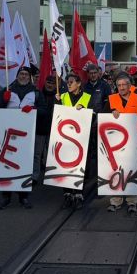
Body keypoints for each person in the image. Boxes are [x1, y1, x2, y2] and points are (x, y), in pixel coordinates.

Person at [0, 66, 41, 209]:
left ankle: (23, 197)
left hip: (26, 133)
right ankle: (5, 196)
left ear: (29, 76)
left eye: (26, 74)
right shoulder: (7, 89)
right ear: (17, 75)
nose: (23, 76)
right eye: (21, 74)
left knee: (24, 163)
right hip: (7, 132)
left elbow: (45, 109)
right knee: (7, 162)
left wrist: (34, 110)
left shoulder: (36, 92)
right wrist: (4, 100)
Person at [103, 72, 137, 214]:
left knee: (134, 172)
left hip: (135, 140)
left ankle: (132, 201)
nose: (121, 88)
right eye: (119, 85)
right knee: (116, 171)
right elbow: (103, 119)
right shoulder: (111, 99)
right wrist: (110, 113)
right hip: (116, 143)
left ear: (129, 86)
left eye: (124, 85)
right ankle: (115, 201)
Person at [58, 72, 94, 209]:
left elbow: (94, 114)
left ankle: (78, 193)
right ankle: (67, 193)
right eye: (67, 82)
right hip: (65, 138)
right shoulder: (62, 97)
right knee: (66, 165)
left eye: (71, 81)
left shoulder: (87, 97)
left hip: (81, 138)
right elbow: (56, 115)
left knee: (80, 165)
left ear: (78, 83)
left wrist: (84, 110)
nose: (68, 84)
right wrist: (56, 101)